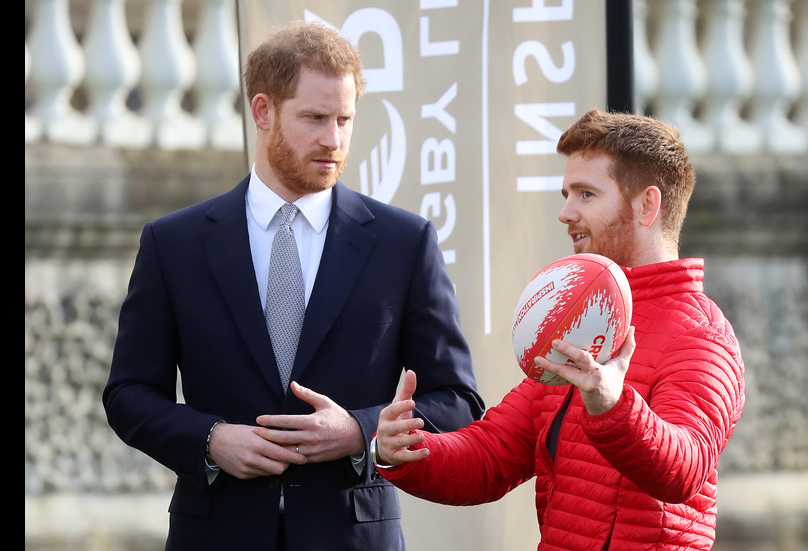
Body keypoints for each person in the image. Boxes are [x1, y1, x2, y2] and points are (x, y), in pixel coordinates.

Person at [103, 20, 484, 551]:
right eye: (314, 118)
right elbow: (128, 394)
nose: (334, 140)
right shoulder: (174, 244)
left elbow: (460, 399)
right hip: (215, 535)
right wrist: (211, 441)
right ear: (262, 111)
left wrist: (360, 432)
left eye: (344, 119)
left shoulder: (404, 242)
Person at [374, 109, 746, 550]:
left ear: (648, 205)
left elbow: (685, 470)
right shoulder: (579, 319)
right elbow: (492, 455)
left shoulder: (702, 334)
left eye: (586, 194)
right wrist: (405, 451)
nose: (565, 212)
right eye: (566, 194)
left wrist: (612, 405)